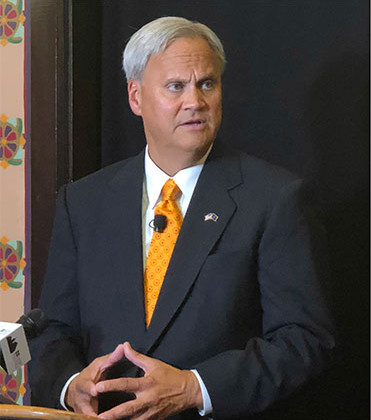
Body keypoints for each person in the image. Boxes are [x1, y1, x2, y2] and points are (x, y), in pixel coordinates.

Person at [29, 16, 334, 420]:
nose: (195, 101)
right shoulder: (83, 202)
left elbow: (305, 340)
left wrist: (195, 387)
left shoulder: (274, 198)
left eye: (207, 83)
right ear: (135, 97)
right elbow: (52, 329)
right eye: (176, 86)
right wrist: (70, 386)